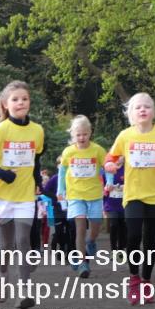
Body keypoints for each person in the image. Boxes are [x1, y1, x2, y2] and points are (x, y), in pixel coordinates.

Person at [0, 80, 45, 309]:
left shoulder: (37, 130)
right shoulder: (0, 130)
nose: (20, 102)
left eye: (24, 99)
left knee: (23, 241)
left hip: (25, 194)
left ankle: (24, 290)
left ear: (29, 103)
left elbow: (36, 159)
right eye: (15, 99)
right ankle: (1, 274)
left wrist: (38, 182)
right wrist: (2, 174)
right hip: (3, 195)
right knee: (6, 245)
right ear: (5, 104)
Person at [104, 93, 155, 305]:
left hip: (154, 194)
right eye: (138, 107)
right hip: (133, 194)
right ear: (131, 113)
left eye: (147, 107)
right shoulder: (125, 135)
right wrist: (110, 165)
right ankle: (134, 279)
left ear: (153, 112)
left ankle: (146, 280)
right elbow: (111, 157)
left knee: (150, 240)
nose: (143, 110)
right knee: (133, 236)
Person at [57, 115, 106, 278]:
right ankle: (83, 262)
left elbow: (107, 167)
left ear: (90, 133)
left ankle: (91, 241)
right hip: (75, 194)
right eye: (78, 135)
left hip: (94, 194)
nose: (82, 137)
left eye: (84, 134)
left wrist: (110, 182)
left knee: (96, 225)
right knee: (79, 228)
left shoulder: (98, 150)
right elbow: (62, 171)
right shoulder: (68, 152)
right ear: (73, 136)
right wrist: (60, 190)